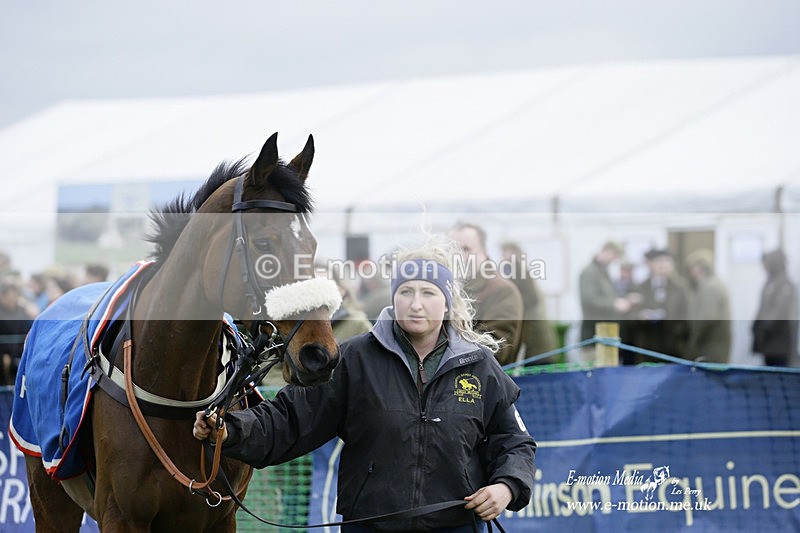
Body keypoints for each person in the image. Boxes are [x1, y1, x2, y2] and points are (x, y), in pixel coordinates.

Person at [193, 238, 536, 531]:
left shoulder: (479, 366)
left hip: (456, 525)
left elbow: (515, 442)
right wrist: (229, 431)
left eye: (428, 292)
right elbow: (289, 419)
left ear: (446, 302)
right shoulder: (354, 359)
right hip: (371, 524)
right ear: (393, 297)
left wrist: (506, 487)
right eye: (406, 291)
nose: (416, 303)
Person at [449, 222, 523, 365]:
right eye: (451, 250)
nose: (457, 256)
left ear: (484, 252)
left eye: (466, 249)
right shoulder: (447, 288)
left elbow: (498, 350)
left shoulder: (502, 291)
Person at [626, 249, 691, 362]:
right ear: (651, 264)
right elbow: (629, 316)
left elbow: (687, 316)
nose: (663, 265)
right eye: (659, 261)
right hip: (646, 347)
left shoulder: (681, 288)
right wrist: (640, 316)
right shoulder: (639, 288)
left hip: (673, 347)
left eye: (667, 261)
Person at [500, 241, 557, 362]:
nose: (504, 255)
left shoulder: (518, 272)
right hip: (537, 340)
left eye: (507, 251)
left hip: (534, 341)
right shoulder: (521, 272)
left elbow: (527, 300)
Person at [578, 241, 632, 342]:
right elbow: (588, 300)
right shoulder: (589, 272)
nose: (615, 259)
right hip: (593, 332)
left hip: (606, 331)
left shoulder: (603, 272)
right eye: (615, 255)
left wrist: (625, 299)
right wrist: (614, 304)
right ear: (606, 251)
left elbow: (608, 295)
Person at [752, 249, 798, 367]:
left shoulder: (785, 283)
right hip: (768, 342)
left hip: (779, 342)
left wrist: (764, 326)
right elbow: (763, 308)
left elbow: (779, 311)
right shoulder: (769, 282)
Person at [685, 249, 731, 363]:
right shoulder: (712, 284)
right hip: (714, 344)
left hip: (711, 346)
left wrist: (691, 343)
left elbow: (705, 320)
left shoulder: (709, 287)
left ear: (699, 268)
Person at [0, 281, 35, 385]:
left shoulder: (22, 311)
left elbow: (27, 332)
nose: (11, 300)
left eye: (14, 297)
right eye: (8, 297)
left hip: (19, 352)